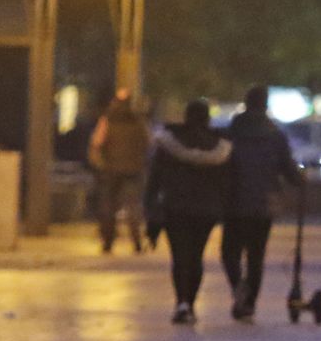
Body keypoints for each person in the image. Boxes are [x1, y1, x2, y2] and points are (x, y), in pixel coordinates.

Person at [144, 100, 231, 324]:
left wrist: (151, 209)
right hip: (206, 211)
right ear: (207, 119)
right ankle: (190, 303)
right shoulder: (218, 148)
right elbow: (226, 183)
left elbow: (154, 181)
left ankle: (181, 301)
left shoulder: (169, 145)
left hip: (175, 208)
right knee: (196, 256)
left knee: (180, 256)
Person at [222, 85, 303, 322]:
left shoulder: (232, 133)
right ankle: (248, 304)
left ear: (246, 104)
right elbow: (287, 169)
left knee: (230, 252)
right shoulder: (275, 135)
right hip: (264, 204)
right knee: (256, 256)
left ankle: (238, 285)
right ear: (265, 105)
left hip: (234, 202)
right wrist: (299, 180)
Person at [89, 90, 152, 254]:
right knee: (133, 206)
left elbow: (96, 143)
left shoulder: (107, 121)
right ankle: (137, 241)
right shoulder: (139, 122)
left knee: (109, 206)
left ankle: (108, 242)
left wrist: (99, 163)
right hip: (134, 169)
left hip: (111, 169)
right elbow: (148, 144)